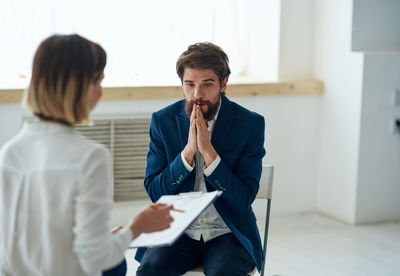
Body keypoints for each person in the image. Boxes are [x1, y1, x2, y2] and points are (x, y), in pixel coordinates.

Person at [0, 34, 174, 276]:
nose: (100, 93)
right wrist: (136, 228)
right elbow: (95, 257)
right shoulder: (90, 157)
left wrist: (106, 237)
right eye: (98, 82)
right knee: (117, 263)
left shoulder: (9, 153)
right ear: (78, 85)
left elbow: (27, 243)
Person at [135, 42, 266, 276]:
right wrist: (187, 153)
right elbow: (156, 192)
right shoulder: (162, 121)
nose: (197, 94)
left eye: (207, 84)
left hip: (228, 233)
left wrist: (209, 154)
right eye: (189, 84)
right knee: (150, 271)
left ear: (223, 83)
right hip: (177, 231)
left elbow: (243, 199)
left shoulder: (250, 124)